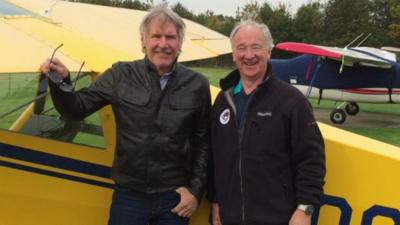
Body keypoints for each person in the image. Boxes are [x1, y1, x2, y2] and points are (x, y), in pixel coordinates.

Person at [40, 4, 211, 225]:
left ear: (180, 43)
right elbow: (76, 108)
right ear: (143, 41)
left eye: (170, 37)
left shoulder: (197, 84)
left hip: (174, 198)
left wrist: (195, 192)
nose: (163, 44)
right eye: (155, 36)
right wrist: (61, 81)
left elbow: (204, 141)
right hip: (130, 195)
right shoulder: (121, 74)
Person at [207, 20, 326, 225]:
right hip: (229, 217)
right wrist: (215, 200)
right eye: (241, 48)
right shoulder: (222, 100)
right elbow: (214, 156)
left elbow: (311, 158)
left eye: (256, 47)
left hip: (277, 217)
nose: (249, 55)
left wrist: (305, 209)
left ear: (269, 52)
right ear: (234, 55)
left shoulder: (292, 101)